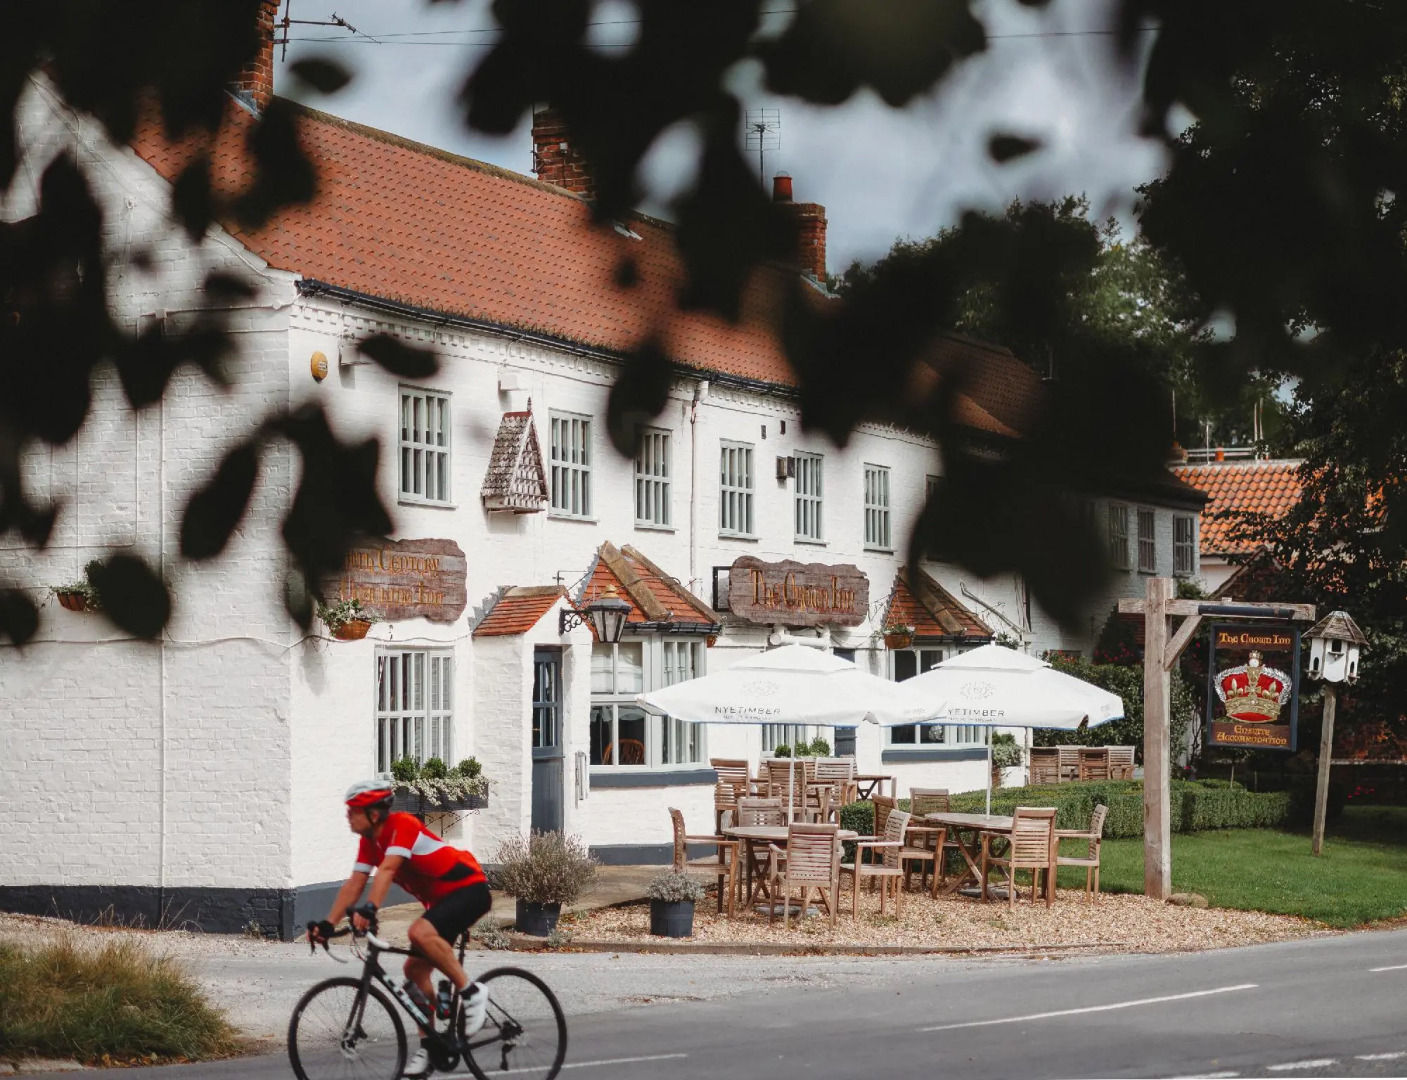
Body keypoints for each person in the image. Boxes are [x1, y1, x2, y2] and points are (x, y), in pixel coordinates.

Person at [311, 781, 492, 1078]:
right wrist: (328, 924)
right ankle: (429, 1047)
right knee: (415, 972)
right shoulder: (369, 842)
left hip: (468, 889)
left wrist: (370, 908)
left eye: (353, 811)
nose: (348, 816)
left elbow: (387, 869)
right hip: (441, 902)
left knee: (419, 933)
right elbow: (355, 883)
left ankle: (472, 993)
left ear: (373, 813)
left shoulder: (402, 825)